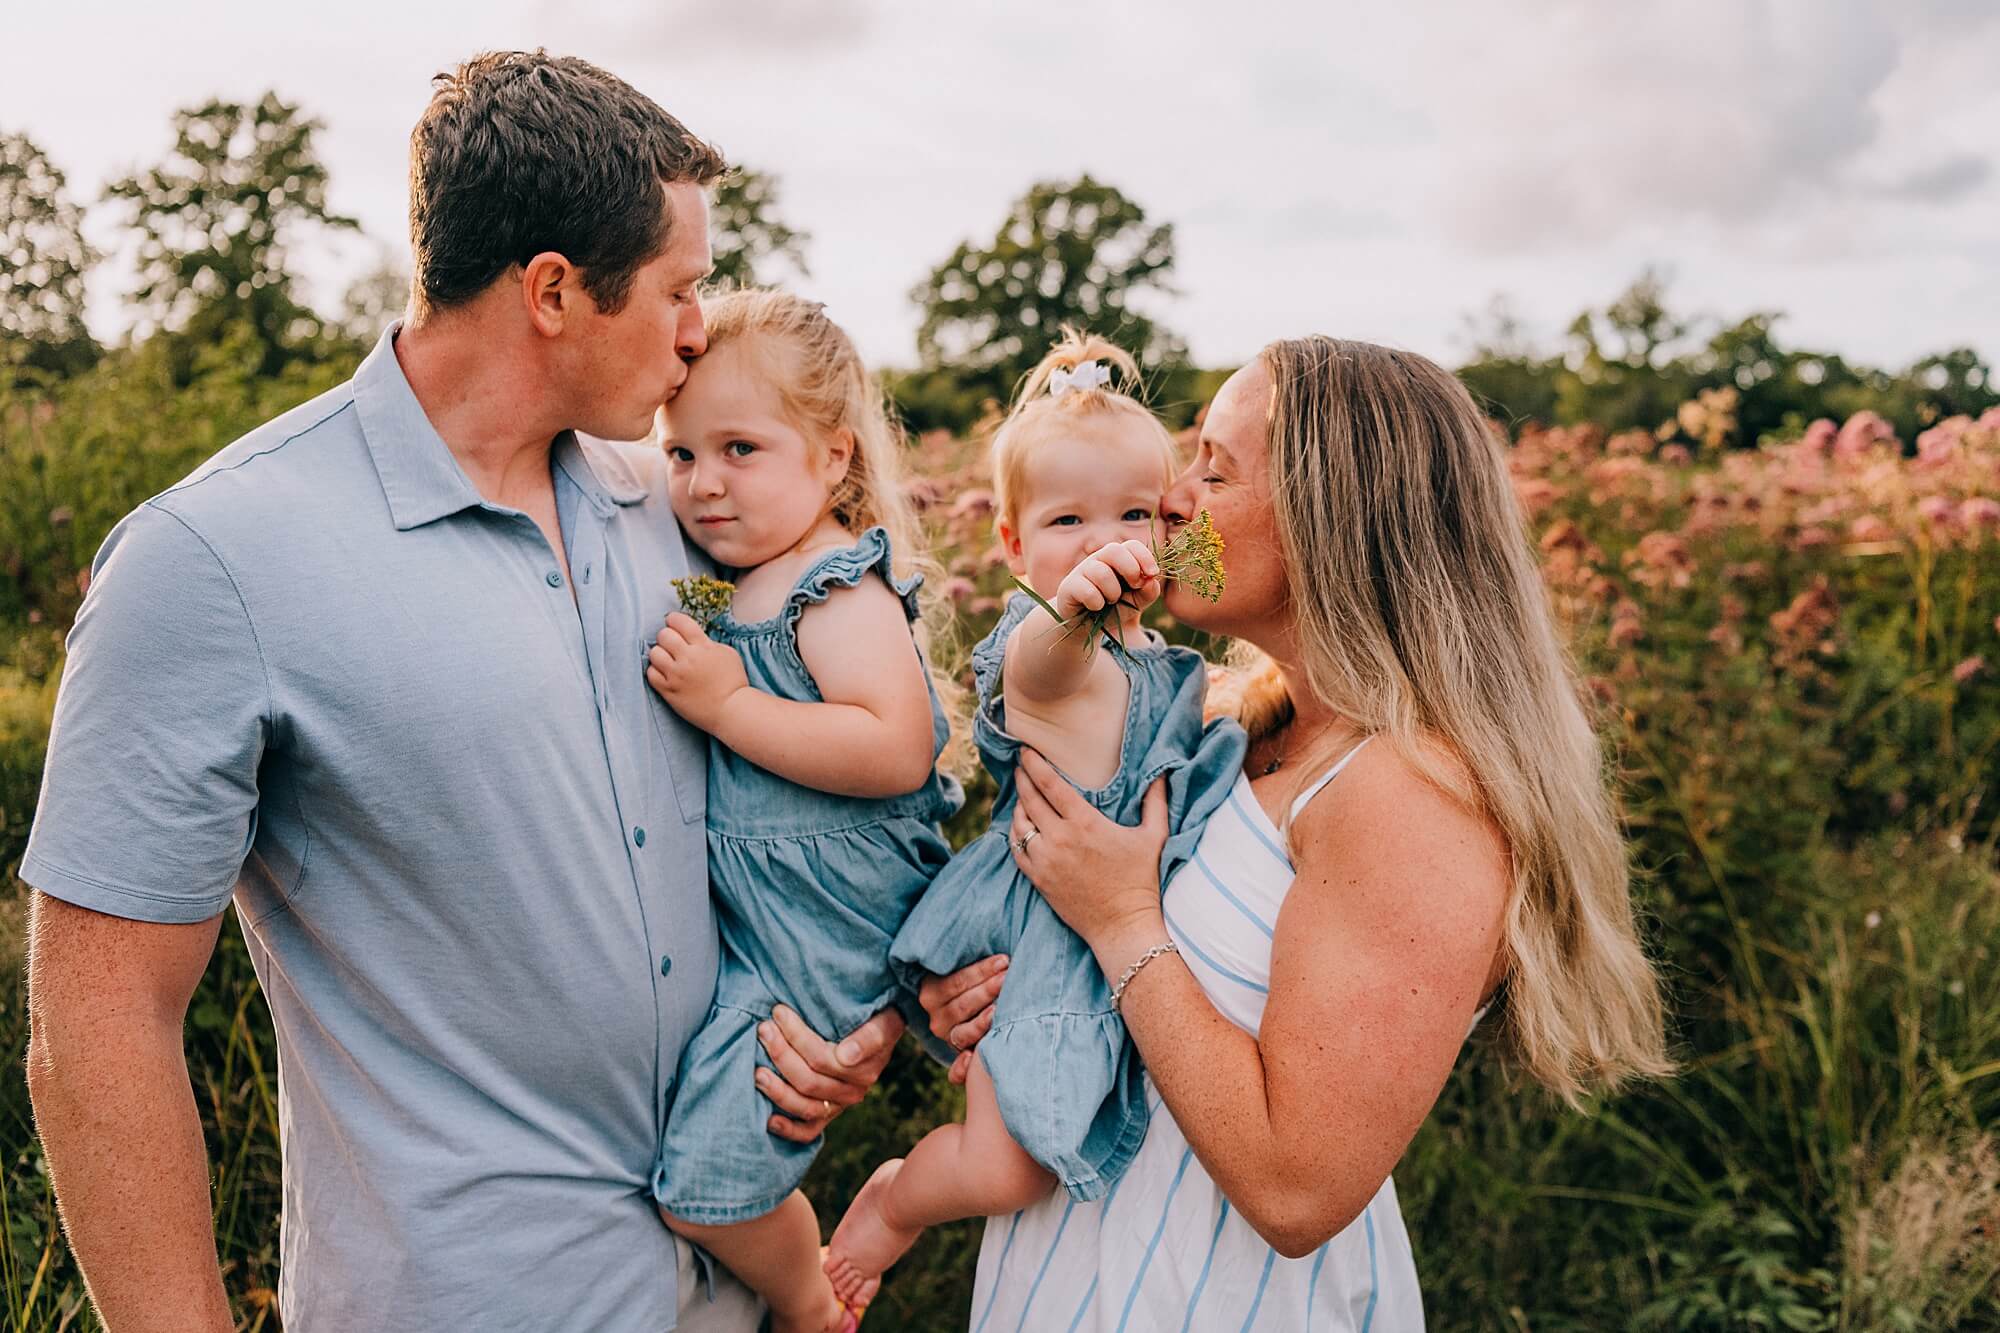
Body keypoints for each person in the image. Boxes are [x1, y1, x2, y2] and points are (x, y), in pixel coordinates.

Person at [21, 53, 898, 1332]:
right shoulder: (213, 561)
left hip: (728, 1293)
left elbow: (774, 797)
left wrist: (844, 1014)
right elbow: (99, 1030)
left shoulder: (682, 519)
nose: (699, 327)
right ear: (552, 292)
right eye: (680, 288)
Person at [921, 336, 1672, 1329]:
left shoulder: (1411, 795)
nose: (1171, 500)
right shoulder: (1236, 729)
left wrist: (1115, 921)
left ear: (1332, 516)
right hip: (1070, 1273)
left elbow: (1296, 1189)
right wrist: (1006, 978)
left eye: (1214, 470)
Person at [824, 332, 1245, 1307]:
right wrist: (1069, 610)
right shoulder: (1044, 648)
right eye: (1066, 519)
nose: (1103, 541)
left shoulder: (1160, 656)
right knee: (1009, 1168)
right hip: (1044, 937)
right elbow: (1044, 673)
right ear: (1010, 545)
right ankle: (890, 1204)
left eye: (1132, 513)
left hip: (1104, 927)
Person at [644, 289, 962, 1333]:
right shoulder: (727, 579)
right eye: (682, 454)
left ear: (832, 457)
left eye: (741, 447)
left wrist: (729, 704)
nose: (704, 483)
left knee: (704, 1182)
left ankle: (809, 1301)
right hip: (771, 929)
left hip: (825, 925)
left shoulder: (829, 589)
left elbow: (894, 745)